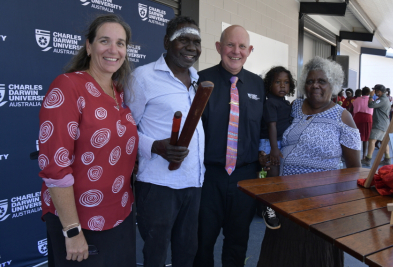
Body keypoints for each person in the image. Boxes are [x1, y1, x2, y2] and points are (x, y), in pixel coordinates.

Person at [38, 14, 138, 266]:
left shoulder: (120, 92)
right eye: (105, 41)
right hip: (80, 222)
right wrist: (72, 231)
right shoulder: (68, 86)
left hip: (121, 214)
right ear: (89, 45)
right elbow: (54, 165)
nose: (113, 50)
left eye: (121, 43)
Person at [257, 56, 361, 267]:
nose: (315, 85)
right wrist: (265, 155)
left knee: (315, 255)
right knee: (281, 254)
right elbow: (276, 137)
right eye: (310, 81)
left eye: (321, 81)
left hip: (321, 204)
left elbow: (354, 167)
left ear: (333, 84)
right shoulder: (293, 107)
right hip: (284, 200)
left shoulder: (343, 117)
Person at [125, 16, 204, 267]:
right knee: (156, 255)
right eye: (184, 40)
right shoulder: (143, 77)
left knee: (187, 252)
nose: (192, 47)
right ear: (166, 42)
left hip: (193, 182)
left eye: (196, 41)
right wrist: (155, 146)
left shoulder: (197, 80)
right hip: (158, 184)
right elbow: (124, 130)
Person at [194, 25, 264, 267]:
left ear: (250, 50)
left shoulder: (258, 85)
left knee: (238, 241)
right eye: (230, 45)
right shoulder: (200, 80)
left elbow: (264, 129)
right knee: (202, 240)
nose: (236, 51)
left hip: (245, 178)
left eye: (242, 46)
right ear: (218, 48)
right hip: (207, 177)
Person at [259, 66, 296, 230]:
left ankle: (276, 204)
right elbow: (271, 127)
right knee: (272, 177)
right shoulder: (271, 103)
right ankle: (268, 208)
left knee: (278, 177)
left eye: (286, 83)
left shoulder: (284, 103)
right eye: (278, 82)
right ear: (269, 85)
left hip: (279, 143)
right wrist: (274, 149)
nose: (283, 86)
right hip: (270, 143)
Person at [361, 84, 391, 166]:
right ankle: (387, 159)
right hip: (384, 124)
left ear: (379, 91)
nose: (374, 92)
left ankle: (368, 159)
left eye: (375, 91)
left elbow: (371, 105)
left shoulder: (382, 99)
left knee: (372, 140)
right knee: (383, 141)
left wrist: (371, 96)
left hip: (379, 124)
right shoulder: (385, 99)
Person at [352, 87, 373, 159]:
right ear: (368, 93)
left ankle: (356, 154)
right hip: (368, 118)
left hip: (358, 117)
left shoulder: (356, 100)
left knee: (357, 136)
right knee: (366, 138)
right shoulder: (371, 100)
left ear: (362, 92)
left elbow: (353, 109)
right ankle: (364, 155)